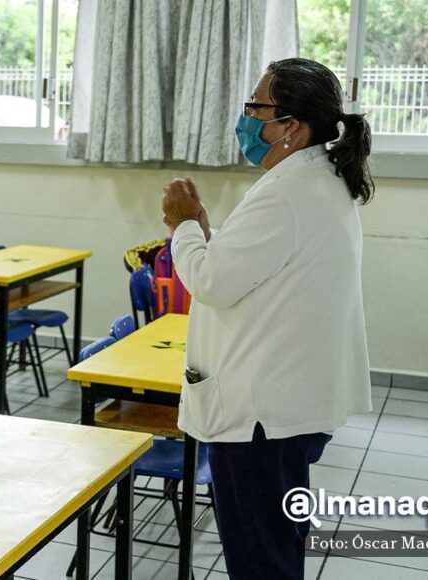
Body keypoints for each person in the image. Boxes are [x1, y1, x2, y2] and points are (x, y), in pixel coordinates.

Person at [160, 58, 373, 580]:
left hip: (260, 414)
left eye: (255, 107)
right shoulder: (320, 179)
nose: (246, 119)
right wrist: (207, 236)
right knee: (278, 541)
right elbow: (255, 274)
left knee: (259, 556)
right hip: (287, 400)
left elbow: (210, 283)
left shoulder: (285, 193)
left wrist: (184, 226)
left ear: (290, 126)